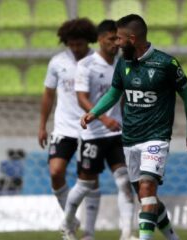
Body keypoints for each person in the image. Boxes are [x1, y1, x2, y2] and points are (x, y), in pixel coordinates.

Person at [81, 14, 187, 240]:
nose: (116, 43)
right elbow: (115, 92)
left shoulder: (166, 63)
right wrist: (94, 112)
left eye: (119, 38)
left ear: (132, 39)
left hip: (156, 137)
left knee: (146, 189)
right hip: (130, 138)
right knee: (146, 197)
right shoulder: (123, 64)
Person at [60, 20, 137, 240]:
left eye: (118, 39)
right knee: (85, 184)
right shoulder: (87, 65)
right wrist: (102, 118)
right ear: (101, 39)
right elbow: (81, 98)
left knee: (124, 180)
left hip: (117, 134)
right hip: (93, 134)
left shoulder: (123, 64)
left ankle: (127, 234)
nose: (116, 43)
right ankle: (66, 223)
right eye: (112, 39)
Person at [37, 18, 101, 239]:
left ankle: (89, 233)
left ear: (88, 41)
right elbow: (48, 95)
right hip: (63, 128)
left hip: (91, 128)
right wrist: (42, 126)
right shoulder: (57, 62)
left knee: (91, 179)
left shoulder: (98, 61)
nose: (75, 48)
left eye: (79, 44)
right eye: (71, 44)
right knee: (56, 172)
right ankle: (70, 221)